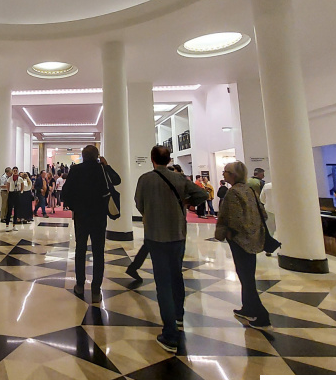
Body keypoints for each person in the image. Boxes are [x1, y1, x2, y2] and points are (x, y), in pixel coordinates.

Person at [134, 146, 207, 353]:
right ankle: (179, 316)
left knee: (163, 282)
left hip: (155, 235)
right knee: (176, 276)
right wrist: (185, 202)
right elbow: (202, 194)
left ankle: (170, 334)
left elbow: (139, 204)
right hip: (177, 234)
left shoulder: (145, 179)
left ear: (152, 159)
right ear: (168, 159)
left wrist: (151, 212)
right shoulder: (179, 178)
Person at [215, 160, 272, 331]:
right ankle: (247, 308)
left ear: (233, 175)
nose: (223, 174)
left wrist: (229, 233)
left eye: (225, 172)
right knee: (247, 274)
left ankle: (261, 315)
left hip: (240, 240)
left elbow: (234, 218)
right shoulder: (249, 190)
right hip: (252, 238)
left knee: (246, 277)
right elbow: (263, 213)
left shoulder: (233, 193)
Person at [61, 145, 121, 304]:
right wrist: (106, 165)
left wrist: (74, 206)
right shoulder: (101, 169)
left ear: (83, 156)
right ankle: (95, 290)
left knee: (80, 249)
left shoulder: (76, 170)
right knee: (98, 252)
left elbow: (65, 193)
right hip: (99, 216)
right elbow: (117, 180)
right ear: (97, 156)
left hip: (81, 216)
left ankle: (80, 285)